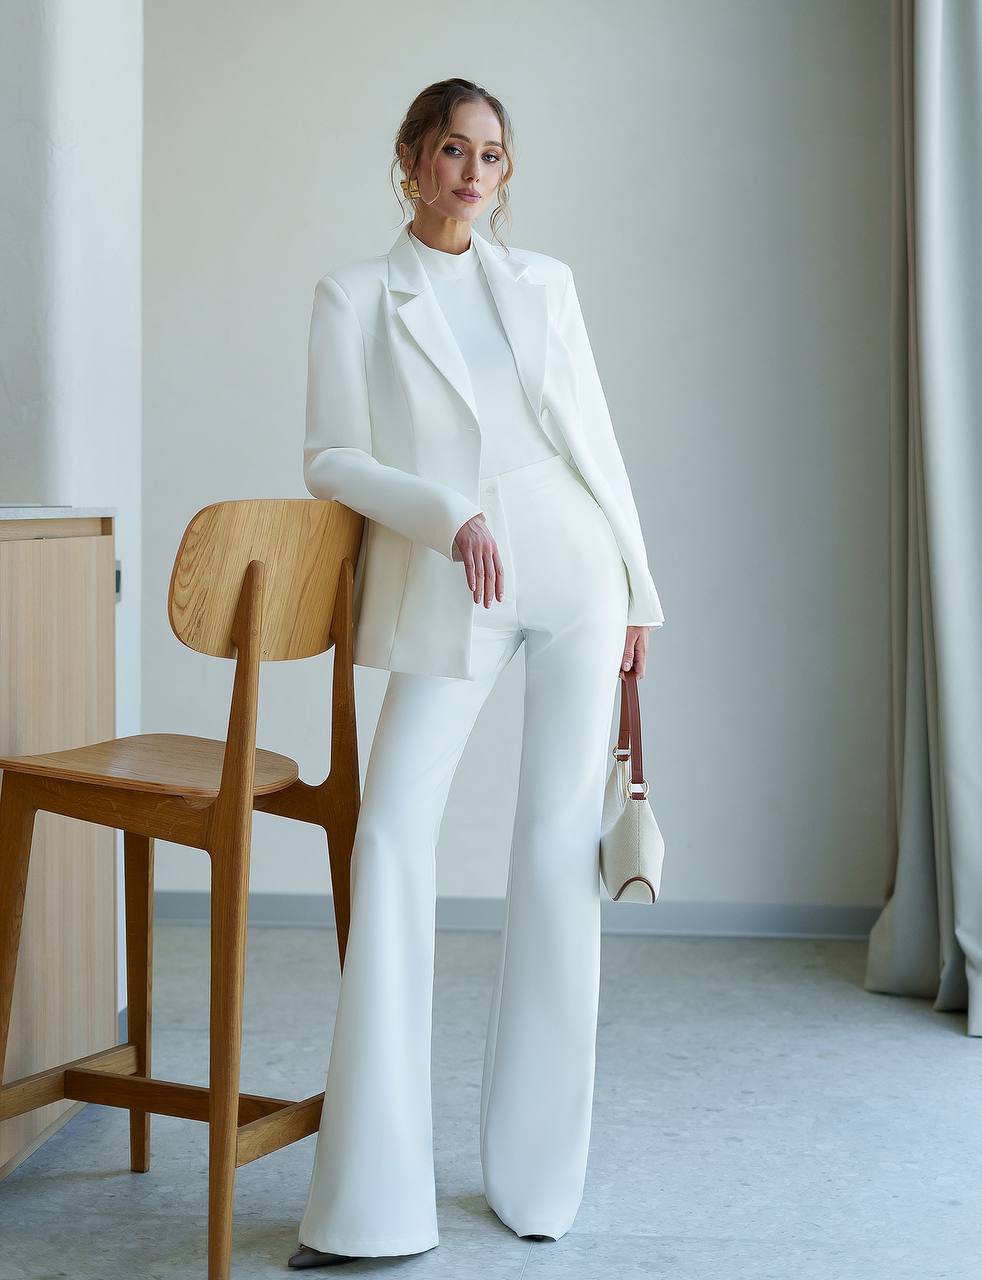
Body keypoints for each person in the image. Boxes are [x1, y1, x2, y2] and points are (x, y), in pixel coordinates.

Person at [288, 78, 664, 1269]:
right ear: (409, 158)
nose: (471, 172)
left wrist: (639, 591)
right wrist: (447, 510)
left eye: (491, 155)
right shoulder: (354, 293)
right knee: (394, 833)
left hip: (574, 568)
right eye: (452, 149)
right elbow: (330, 455)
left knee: (557, 852)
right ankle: (371, 1199)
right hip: (461, 576)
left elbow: (591, 435)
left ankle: (537, 1180)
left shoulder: (543, 283)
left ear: (506, 172)